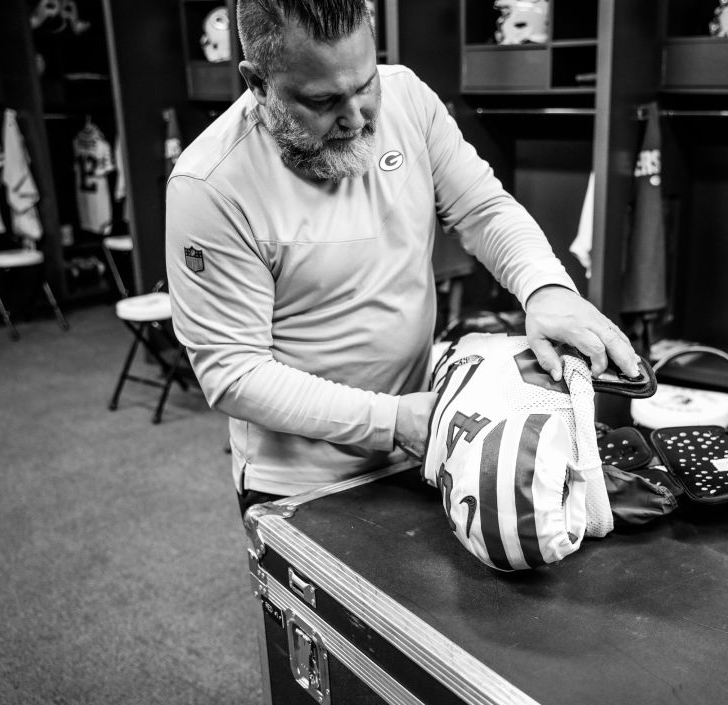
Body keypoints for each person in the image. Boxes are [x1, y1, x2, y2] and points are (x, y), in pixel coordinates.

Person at [165, 0, 639, 515]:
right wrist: (393, 421)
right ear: (257, 83)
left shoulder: (408, 97)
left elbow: (483, 209)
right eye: (323, 100)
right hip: (303, 481)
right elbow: (235, 374)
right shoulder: (210, 186)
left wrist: (545, 288)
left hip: (422, 439)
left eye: (365, 84)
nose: (356, 116)